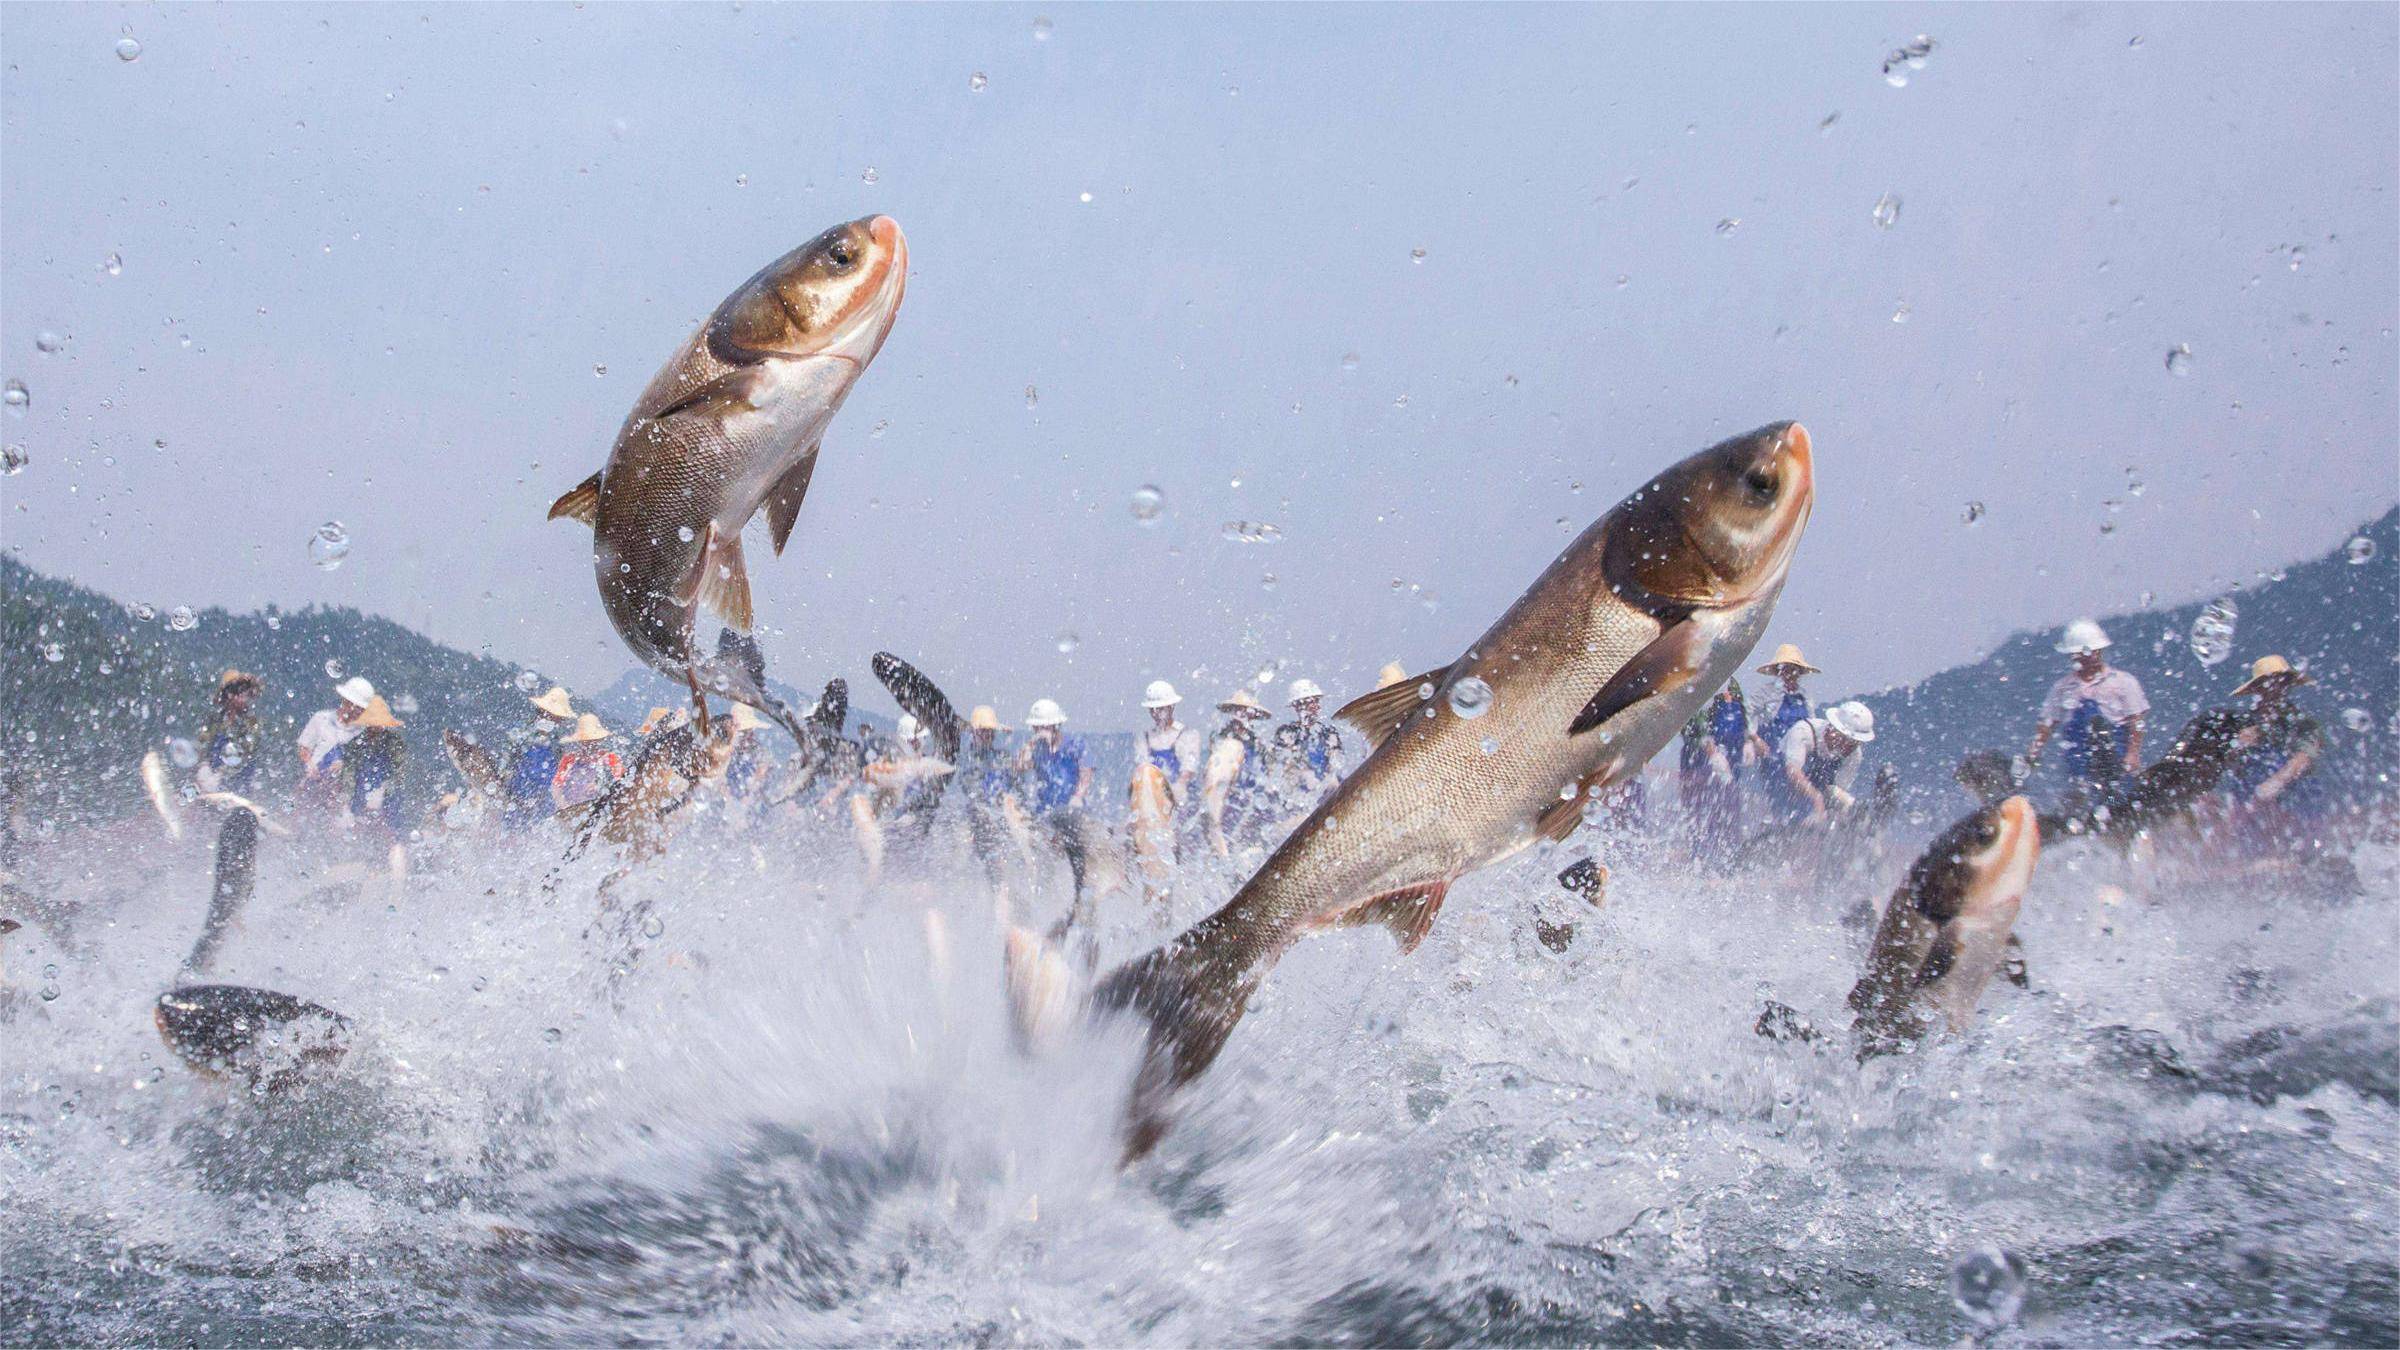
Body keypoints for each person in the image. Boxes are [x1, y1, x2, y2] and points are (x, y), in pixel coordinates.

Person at [2025, 619, 2148, 814]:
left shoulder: (2122, 682)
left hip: (2115, 753)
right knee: (2079, 804)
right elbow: (2047, 724)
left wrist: (2133, 753)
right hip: (2079, 756)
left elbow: (2137, 721)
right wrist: (2033, 752)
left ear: (2099, 651)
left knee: (2124, 801)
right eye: (2077, 655)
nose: (2083, 659)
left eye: (2087, 653)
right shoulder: (2063, 688)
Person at [188, 670, 265, 974]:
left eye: (248, 692)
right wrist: (203, 769)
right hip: (208, 796)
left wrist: (220, 776)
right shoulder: (213, 719)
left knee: (236, 850)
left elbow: (244, 755)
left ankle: (232, 916)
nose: (244, 697)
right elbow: (201, 748)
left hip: (237, 799)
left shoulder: (252, 724)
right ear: (228, 694)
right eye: (239, 691)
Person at [2225, 654, 2329, 857]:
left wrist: (2274, 783)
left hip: (2294, 796)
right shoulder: (2244, 723)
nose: (2276, 687)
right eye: (2268, 683)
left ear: (2289, 685)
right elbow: (2231, 765)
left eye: (2282, 681)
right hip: (2251, 807)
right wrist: (2238, 747)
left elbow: (2304, 757)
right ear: (2257, 689)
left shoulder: (2301, 721)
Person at [1016, 698, 1092, 895]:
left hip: (1071, 811)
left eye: (1044, 726)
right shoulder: (1037, 748)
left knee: (1077, 859)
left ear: (1056, 725)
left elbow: (1086, 773)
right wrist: (1030, 744)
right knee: (1042, 862)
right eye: (1036, 727)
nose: (1040, 730)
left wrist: (1078, 796)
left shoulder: (1075, 744)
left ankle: (1081, 895)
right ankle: (1047, 899)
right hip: (1045, 813)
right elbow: (1020, 767)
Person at [333, 696, 408, 873]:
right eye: (371, 723)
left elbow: (400, 774)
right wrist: (345, 802)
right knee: (360, 835)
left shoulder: (395, 744)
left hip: (389, 799)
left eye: (378, 723)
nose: (375, 727)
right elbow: (349, 775)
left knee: (392, 837)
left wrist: (383, 791)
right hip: (360, 797)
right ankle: (364, 870)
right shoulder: (355, 745)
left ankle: (392, 871)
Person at [1772, 700, 1875, 825]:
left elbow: (1836, 788)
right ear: (1833, 730)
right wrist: (1817, 799)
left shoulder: (1855, 754)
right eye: (1848, 741)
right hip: (1780, 776)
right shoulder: (1803, 732)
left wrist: (1845, 808)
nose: (1850, 748)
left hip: (1818, 784)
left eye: (1856, 743)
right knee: (1789, 817)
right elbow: (1793, 772)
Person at [1204, 689, 1277, 854]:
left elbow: (1269, 777)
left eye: (1245, 711)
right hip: (1229, 807)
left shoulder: (1260, 744)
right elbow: (1214, 779)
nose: (1241, 714)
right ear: (1231, 712)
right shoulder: (1221, 739)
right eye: (1237, 710)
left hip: (1253, 810)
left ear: (1252, 715)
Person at [297, 675, 375, 812]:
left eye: (360, 709)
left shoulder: (363, 733)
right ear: (345, 701)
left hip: (341, 792)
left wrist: (344, 766)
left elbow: (362, 765)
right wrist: (310, 766)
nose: (355, 711)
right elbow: (304, 748)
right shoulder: (321, 719)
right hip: (312, 782)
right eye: (353, 705)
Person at [503, 686, 577, 829]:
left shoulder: (558, 740)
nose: (560, 720)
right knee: (514, 834)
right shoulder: (521, 731)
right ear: (545, 712)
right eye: (558, 716)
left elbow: (562, 770)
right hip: (519, 793)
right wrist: (505, 785)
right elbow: (506, 761)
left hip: (545, 800)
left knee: (540, 837)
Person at [1273, 678, 1345, 810]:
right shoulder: (1287, 733)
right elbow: (1286, 767)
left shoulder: (1329, 733)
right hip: (1299, 797)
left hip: (1327, 793)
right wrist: (1306, 775)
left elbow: (1336, 764)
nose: (1314, 705)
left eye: (1316, 701)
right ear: (1296, 706)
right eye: (1308, 702)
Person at [1135, 681, 1206, 808]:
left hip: (1183, 799)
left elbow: (1188, 770)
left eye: (1161, 709)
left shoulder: (1187, 735)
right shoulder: (1144, 738)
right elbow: (1142, 771)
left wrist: (1177, 789)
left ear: (1171, 707)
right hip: (1153, 797)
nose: (1156, 714)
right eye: (1152, 710)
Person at [1751, 644, 1818, 757]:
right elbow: (1743, 713)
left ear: (1799, 673)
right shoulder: (1766, 692)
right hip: (1770, 754)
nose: (1789, 674)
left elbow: (1812, 726)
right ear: (1779, 671)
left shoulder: (1805, 697)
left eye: (1793, 670)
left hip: (1798, 755)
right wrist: (1755, 739)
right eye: (1785, 670)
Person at [551, 713, 623, 813]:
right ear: (580, 741)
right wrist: (565, 807)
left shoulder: (611, 759)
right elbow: (556, 787)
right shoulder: (569, 759)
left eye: (593, 740)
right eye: (586, 740)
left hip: (602, 810)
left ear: (599, 740)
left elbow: (621, 785)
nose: (590, 743)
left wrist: (601, 786)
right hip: (573, 809)